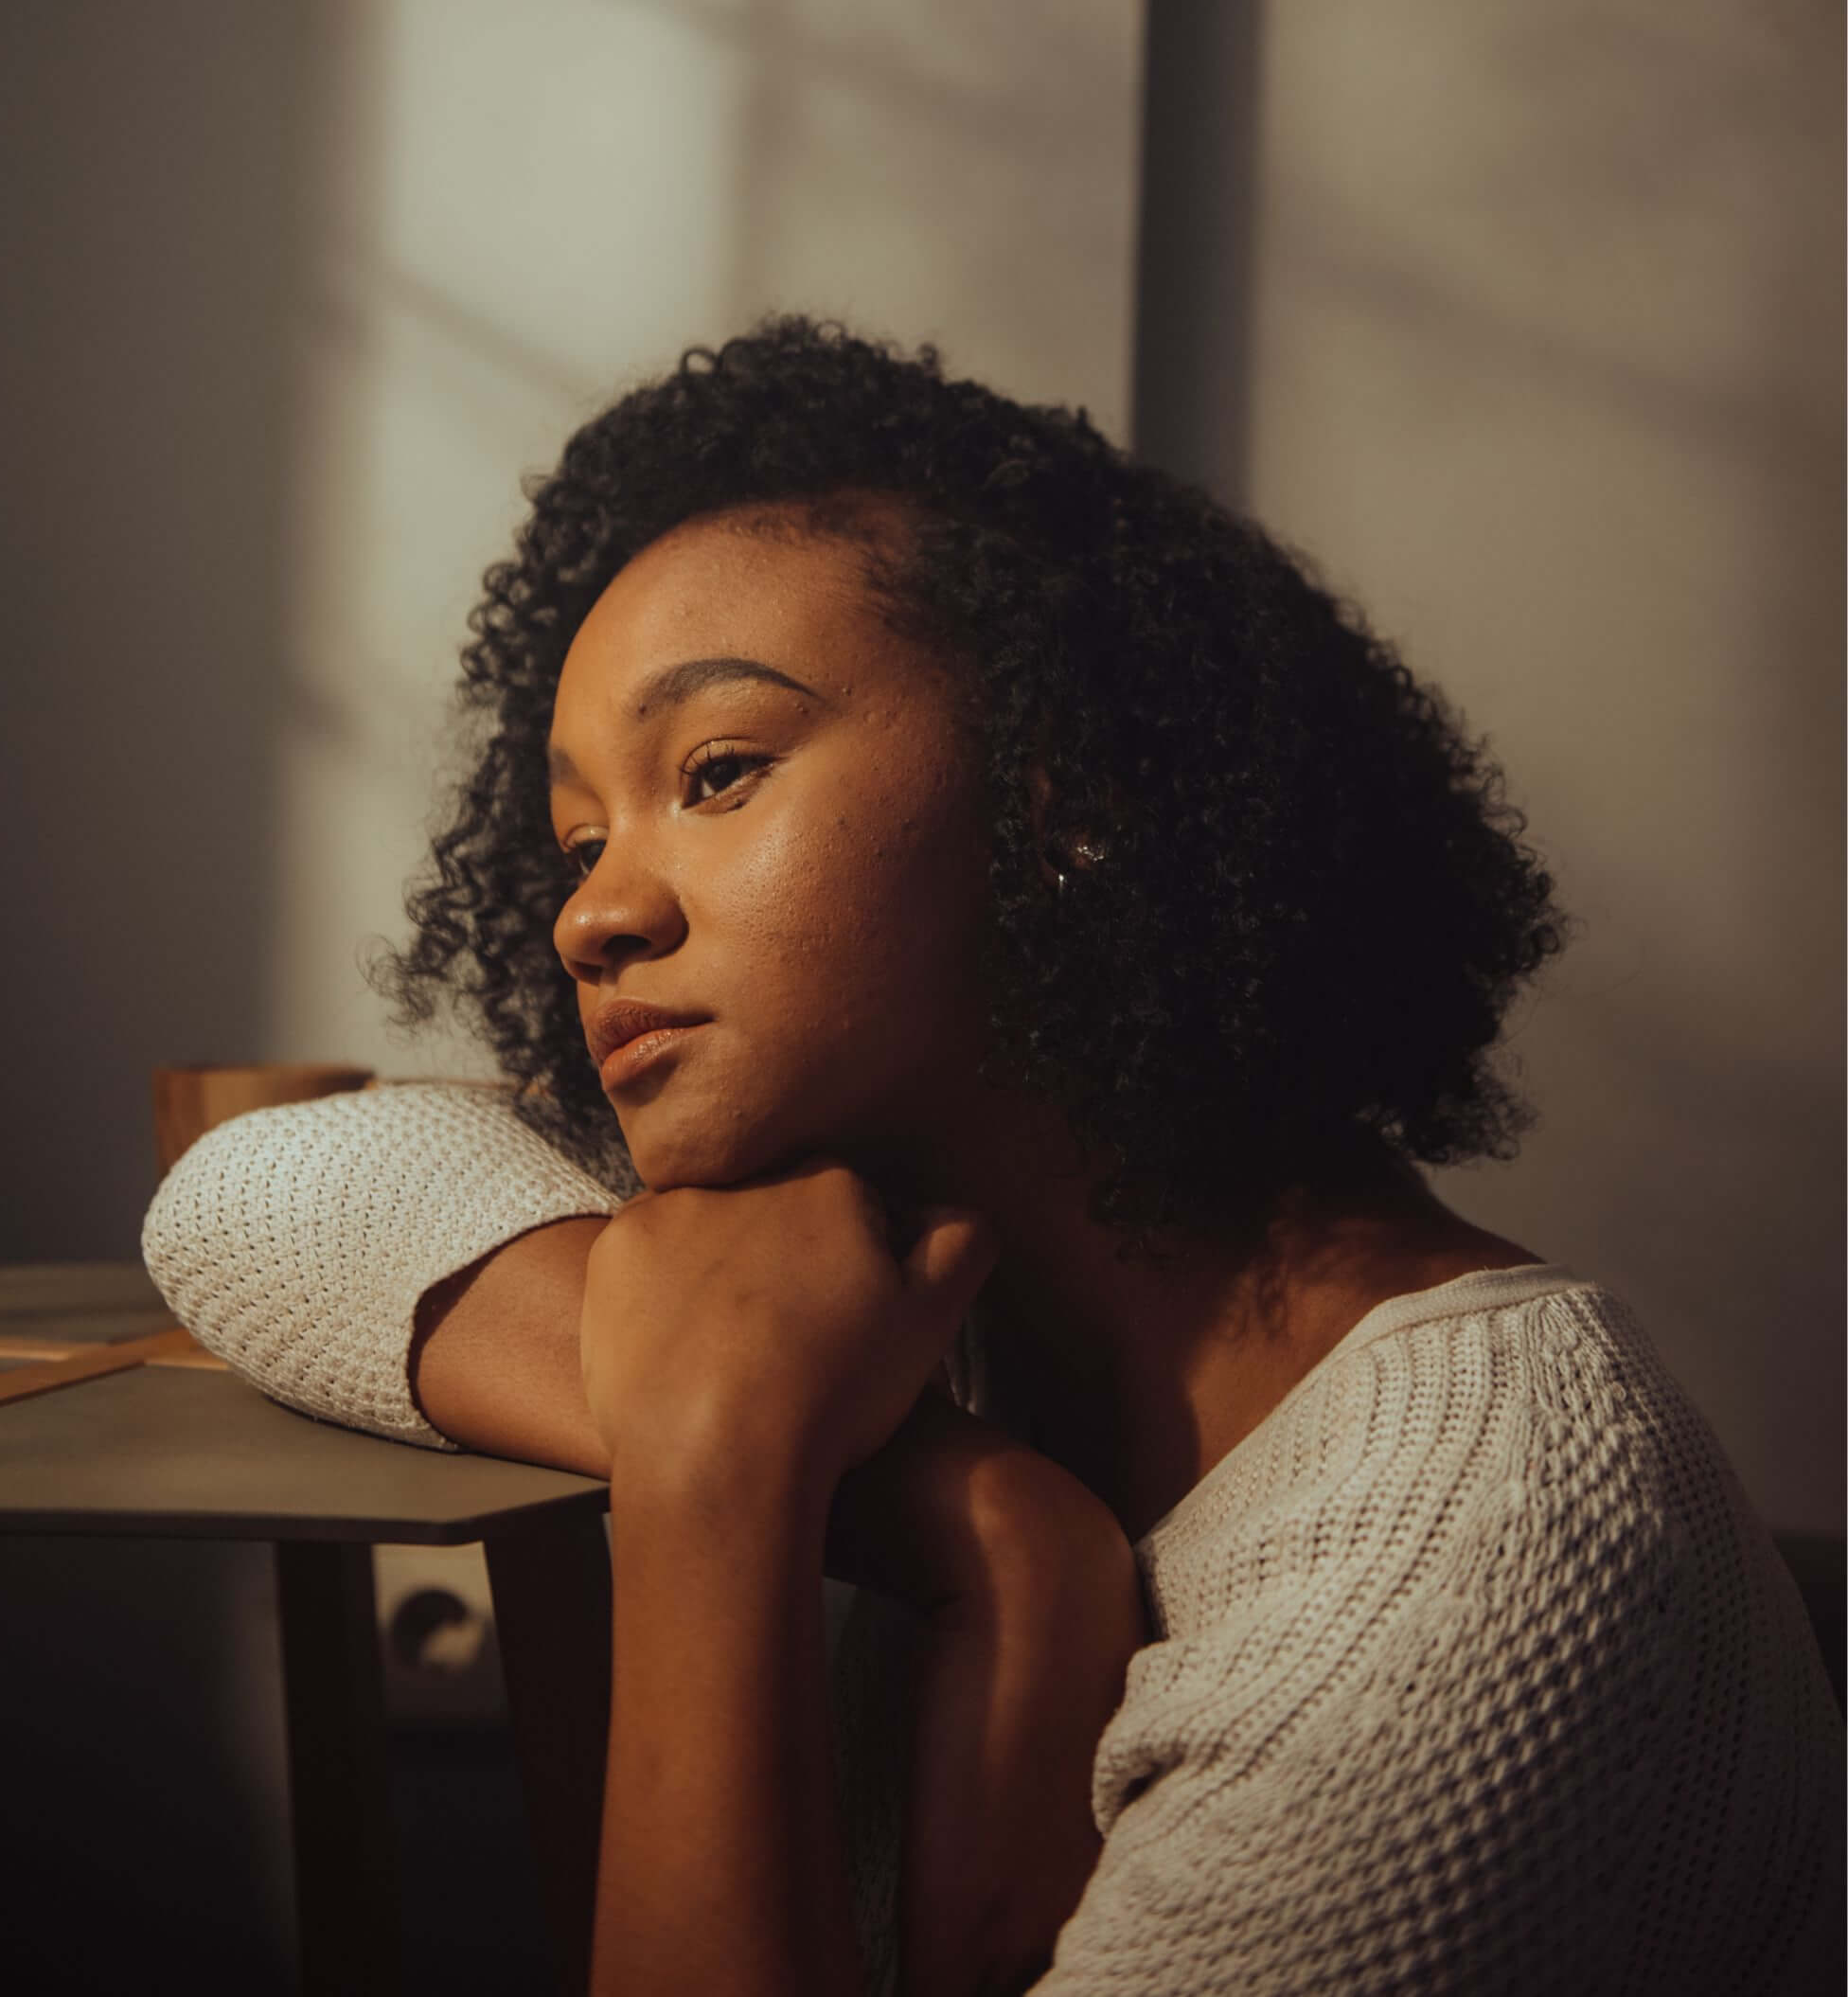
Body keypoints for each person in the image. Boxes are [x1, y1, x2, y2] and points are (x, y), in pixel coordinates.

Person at [145, 319, 1843, 1997]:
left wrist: (718, 1472)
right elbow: (253, 1197)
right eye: (581, 835)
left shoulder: (1473, 1558)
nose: (593, 909)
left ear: (1068, 790)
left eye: (718, 772)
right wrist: (993, 1520)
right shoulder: (912, 1317)